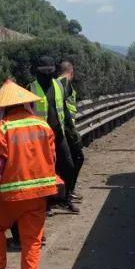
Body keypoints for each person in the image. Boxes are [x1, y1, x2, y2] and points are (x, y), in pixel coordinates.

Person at [0, 79, 59, 269]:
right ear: (25, 104)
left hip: (9, 196)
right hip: (39, 194)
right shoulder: (43, 125)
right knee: (32, 238)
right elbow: (52, 158)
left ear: (3, 107)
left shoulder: (2, 128)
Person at [30, 56, 78, 214]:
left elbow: (63, 108)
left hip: (59, 135)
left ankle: (65, 199)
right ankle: (47, 203)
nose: (47, 75)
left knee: (69, 166)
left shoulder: (58, 85)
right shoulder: (30, 88)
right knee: (44, 172)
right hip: (40, 140)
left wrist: (72, 131)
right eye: (43, 72)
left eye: (50, 71)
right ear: (37, 72)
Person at [58, 59, 85, 203]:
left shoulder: (57, 83)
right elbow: (65, 109)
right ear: (71, 72)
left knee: (70, 161)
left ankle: (68, 192)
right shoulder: (63, 83)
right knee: (77, 159)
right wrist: (73, 132)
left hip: (63, 130)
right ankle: (67, 193)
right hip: (65, 130)